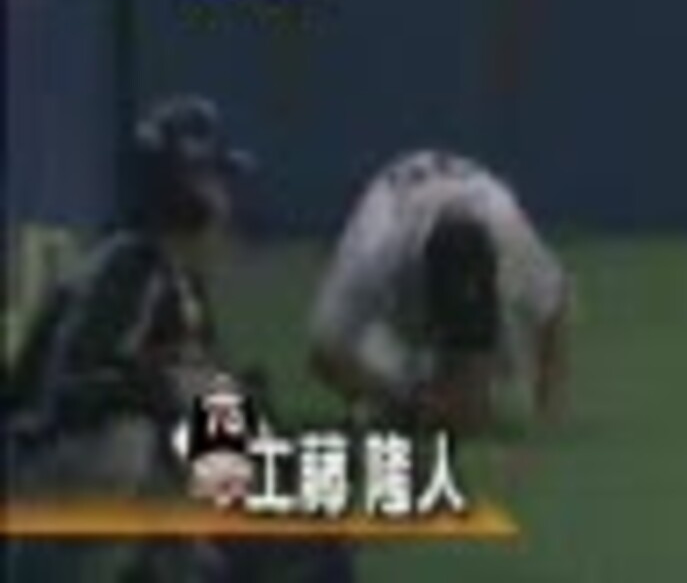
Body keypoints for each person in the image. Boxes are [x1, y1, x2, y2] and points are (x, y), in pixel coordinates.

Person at [6, 94, 255, 582]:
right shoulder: (130, 269)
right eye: (217, 181)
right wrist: (168, 387)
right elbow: (69, 393)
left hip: (65, 473)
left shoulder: (178, 282)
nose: (228, 201)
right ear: (189, 196)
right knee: (134, 438)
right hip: (37, 468)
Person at [309, 149, 570, 435]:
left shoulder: (510, 237)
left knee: (472, 411)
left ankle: (462, 380)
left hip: (471, 220)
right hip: (399, 238)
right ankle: (420, 382)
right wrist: (403, 402)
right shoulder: (374, 255)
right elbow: (325, 355)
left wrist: (547, 401)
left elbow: (553, 305)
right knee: (387, 369)